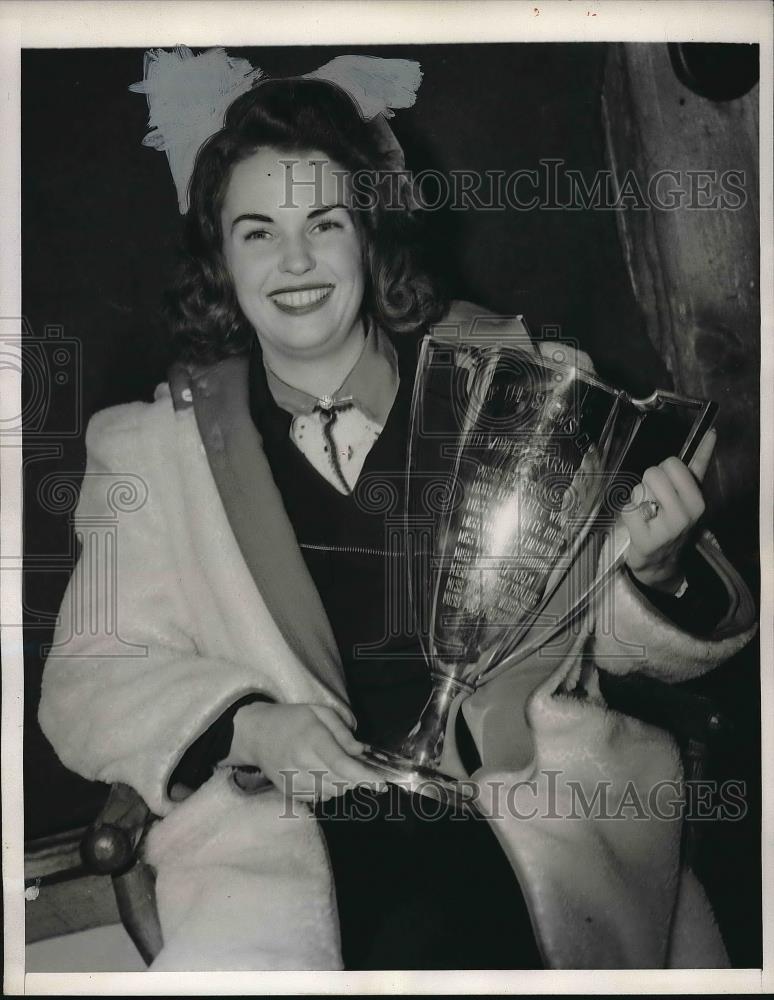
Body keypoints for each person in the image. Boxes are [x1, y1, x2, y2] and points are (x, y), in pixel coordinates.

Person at [39, 50, 756, 971]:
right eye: (257, 232)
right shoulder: (149, 451)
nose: (294, 261)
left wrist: (655, 570)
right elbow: (87, 681)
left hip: (528, 811)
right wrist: (248, 725)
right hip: (291, 838)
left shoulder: (521, 383)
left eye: (324, 222)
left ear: (369, 236)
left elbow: (599, 638)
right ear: (219, 256)